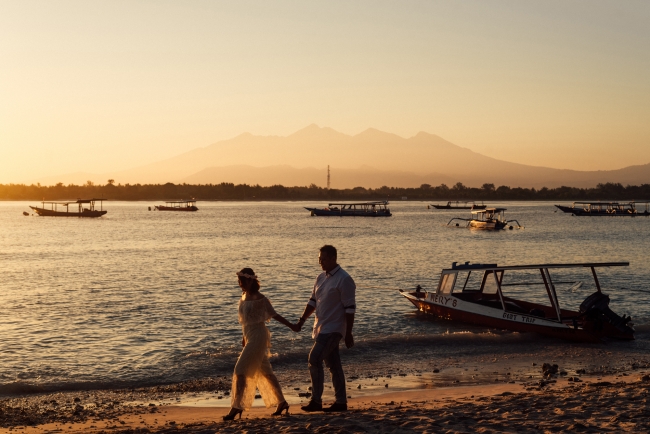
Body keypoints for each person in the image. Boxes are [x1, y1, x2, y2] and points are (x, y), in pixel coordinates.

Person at [223, 268, 299, 421]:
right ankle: (282, 402)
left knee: (240, 369)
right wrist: (243, 338)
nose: (240, 284)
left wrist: (292, 325)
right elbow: (245, 320)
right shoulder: (243, 296)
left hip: (258, 336)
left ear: (250, 280)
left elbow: (274, 315)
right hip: (249, 335)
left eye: (242, 281)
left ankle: (237, 406)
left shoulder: (261, 298)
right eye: (239, 282)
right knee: (265, 371)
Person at [296, 245, 356, 412]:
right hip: (321, 327)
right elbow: (312, 302)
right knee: (333, 365)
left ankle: (316, 400)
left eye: (323, 259)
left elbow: (350, 308)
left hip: (334, 328)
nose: (319, 262)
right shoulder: (320, 277)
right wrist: (302, 320)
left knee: (314, 359)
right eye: (319, 258)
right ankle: (341, 402)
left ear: (333, 259)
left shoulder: (344, 279)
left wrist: (348, 332)